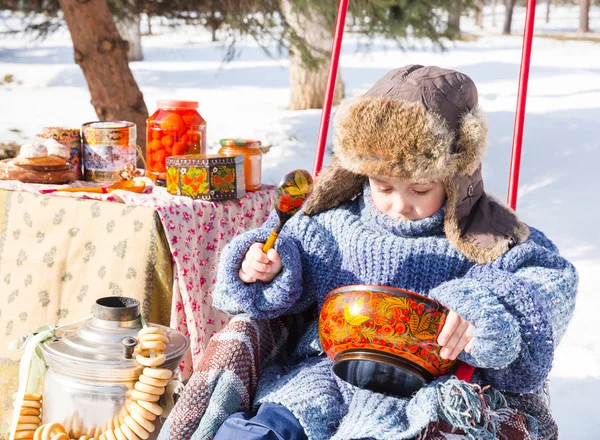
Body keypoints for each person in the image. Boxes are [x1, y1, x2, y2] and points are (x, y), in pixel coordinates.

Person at [209, 65, 578, 440]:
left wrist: (486, 305)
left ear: (455, 178)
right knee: (263, 430)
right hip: (328, 371)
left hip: (432, 388)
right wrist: (267, 266)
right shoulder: (335, 220)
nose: (400, 204)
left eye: (419, 190)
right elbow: (288, 250)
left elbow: (551, 280)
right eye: (383, 187)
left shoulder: (483, 233)